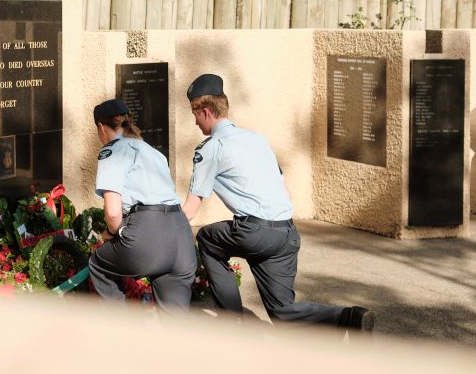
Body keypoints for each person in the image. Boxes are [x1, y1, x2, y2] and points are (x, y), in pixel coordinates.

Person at [181, 74, 374, 332]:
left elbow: (191, 210)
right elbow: (285, 192)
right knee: (283, 312)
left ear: (205, 111)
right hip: (287, 233)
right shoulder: (257, 140)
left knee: (207, 238)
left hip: (254, 232)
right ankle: (349, 317)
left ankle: (231, 322)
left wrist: (157, 232)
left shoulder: (211, 148)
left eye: (194, 114)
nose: (194, 122)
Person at [87, 98, 196, 313]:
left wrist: (113, 232)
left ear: (101, 127)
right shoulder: (152, 151)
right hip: (180, 235)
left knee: (99, 264)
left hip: (147, 233)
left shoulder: (112, 151)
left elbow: (112, 211)